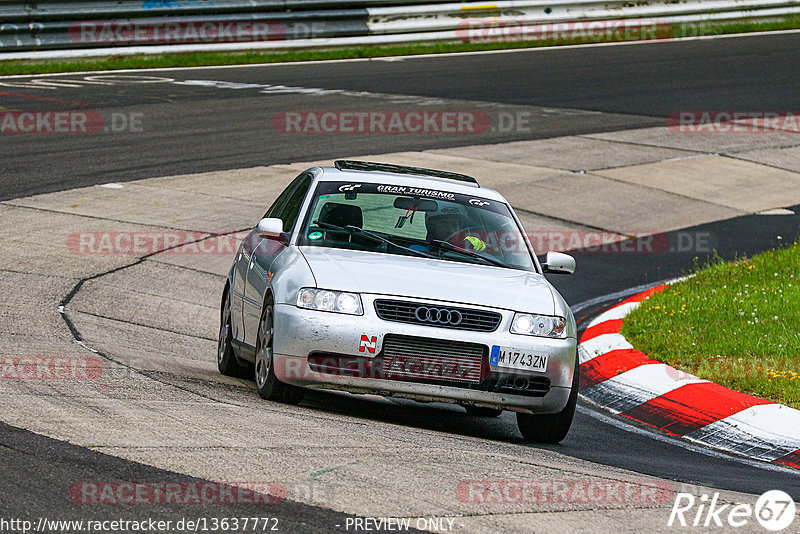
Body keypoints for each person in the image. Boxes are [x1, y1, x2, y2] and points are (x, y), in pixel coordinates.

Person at [410, 212, 486, 252]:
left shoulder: (471, 245)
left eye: (455, 224)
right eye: (445, 224)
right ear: (433, 227)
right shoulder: (416, 249)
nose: (451, 230)